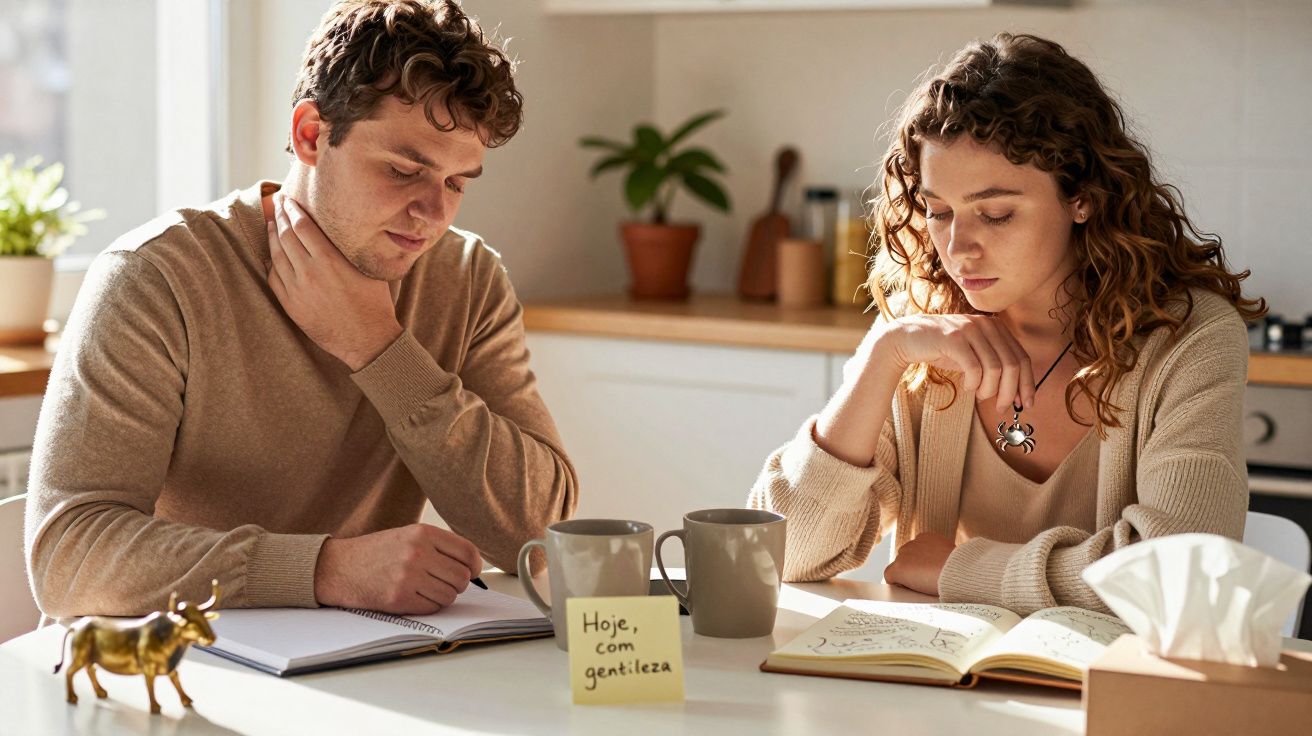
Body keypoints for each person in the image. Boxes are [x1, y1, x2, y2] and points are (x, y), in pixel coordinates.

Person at [25, 0, 577, 618]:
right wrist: (324, 568)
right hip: (173, 668)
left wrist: (380, 350)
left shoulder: (468, 277)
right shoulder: (156, 278)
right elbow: (69, 559)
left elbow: (538, 533)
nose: (433, 215)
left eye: (456, 183)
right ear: (310, 135)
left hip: (362, 670)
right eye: (402, 171)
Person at [748, 33, 1265, 615]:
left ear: (1083, 197)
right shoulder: (924, 335)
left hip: (1103, 698)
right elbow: (781, 554)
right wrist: (881, 355)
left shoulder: (1188, 340)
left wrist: (959, 569)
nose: (958, 247)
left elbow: (1181, 580)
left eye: (995, 214)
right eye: (938, 212)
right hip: (936, 689)